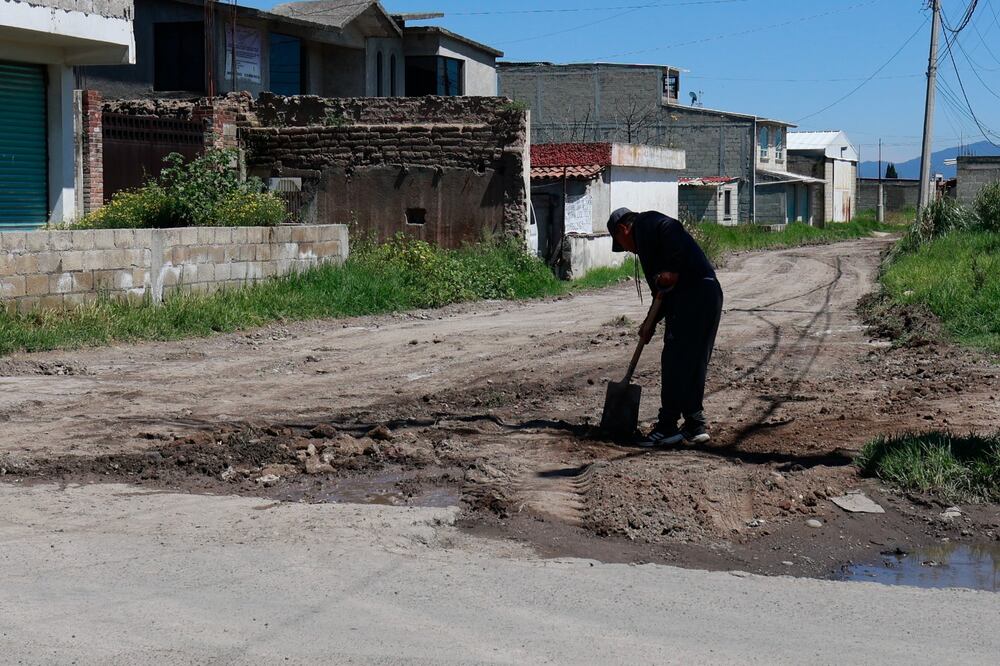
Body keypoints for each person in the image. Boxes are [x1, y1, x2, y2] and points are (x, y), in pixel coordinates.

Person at [607, 207, 723, 447]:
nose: (628, 250)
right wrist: (649, 323)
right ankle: (694, 423)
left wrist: (672, 268)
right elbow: (663, 294)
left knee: (674, 360)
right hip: (708, 293)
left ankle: (667, 425)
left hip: (693, 296)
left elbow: (672, 229)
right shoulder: (649, 238)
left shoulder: (646, 224)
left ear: (623, 229)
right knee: (693, 361)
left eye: (622, 244)